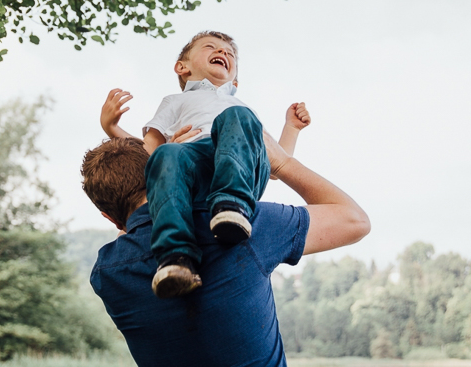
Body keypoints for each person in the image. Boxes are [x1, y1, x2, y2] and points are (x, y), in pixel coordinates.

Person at [80, 132, 370, 367]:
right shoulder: (241, 226)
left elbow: (131, 225)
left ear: (108, 217)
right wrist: (282, 164)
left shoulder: (106, 276)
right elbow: (354, 220)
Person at [99, 31, 310, 297]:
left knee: (238, 116)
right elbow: (148, 153)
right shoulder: (174, 101)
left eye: (229, 53)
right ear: (182, 67)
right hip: (190, 167)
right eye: (211, 47)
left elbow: (276, 164)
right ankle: (175, 258)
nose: (223, 53)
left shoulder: (241, 108)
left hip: (238, 169)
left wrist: (291, 128)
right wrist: (112, 128)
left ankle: (232, 207)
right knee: (166, 154)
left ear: (235, 80)